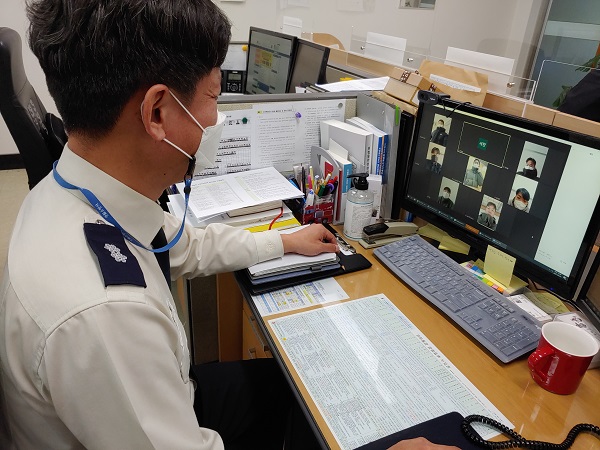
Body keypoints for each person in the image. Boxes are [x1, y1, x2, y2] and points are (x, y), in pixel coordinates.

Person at [0, 2, 454, 450]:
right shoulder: (105, 314)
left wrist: (283, 241)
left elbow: (181, 245)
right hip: (158, 413)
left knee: (297, 393)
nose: (216, 119)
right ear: (157, 112)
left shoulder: (78, 189)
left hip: (163, 396)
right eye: (214, 98)